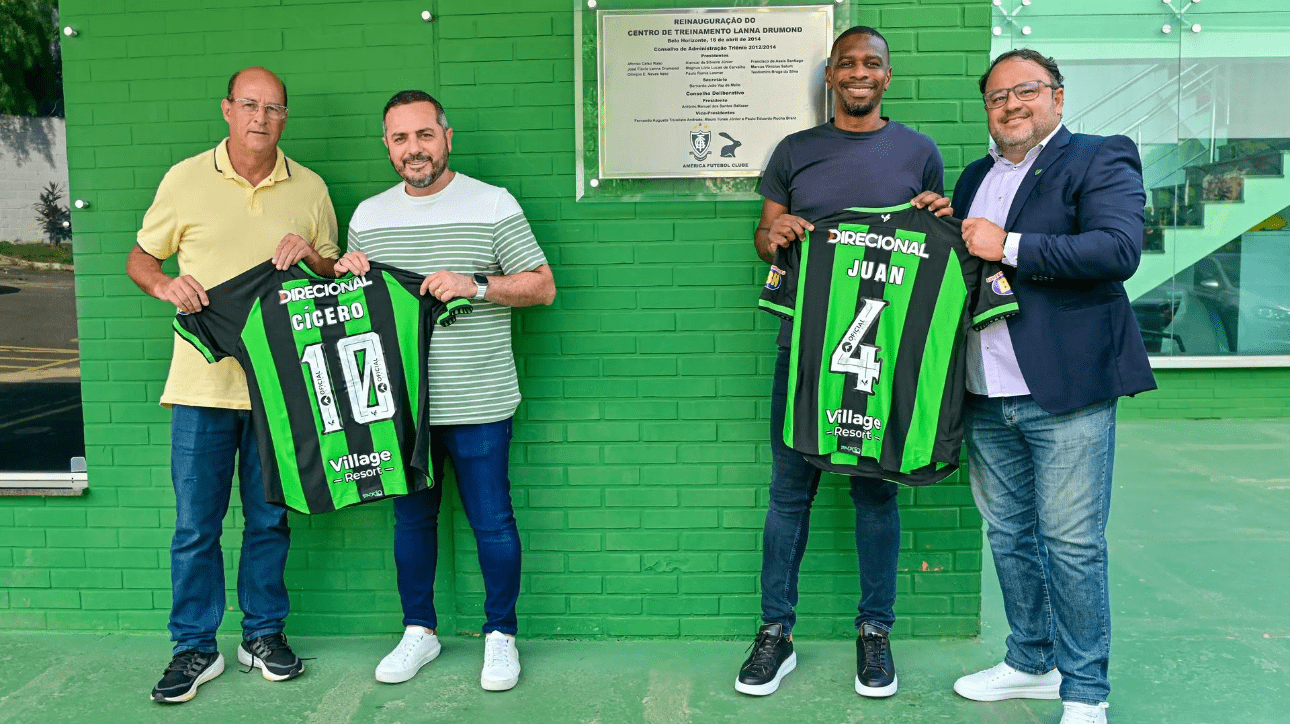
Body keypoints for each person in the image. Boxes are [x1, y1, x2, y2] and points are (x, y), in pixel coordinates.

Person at [916, 49, 1154, 724]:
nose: (1011, 106)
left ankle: (1084, 692)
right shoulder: (972, 178)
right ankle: (1030, 661)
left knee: (1073, 544)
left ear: (1056, 95)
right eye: (997, 97)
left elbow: (1117, 251)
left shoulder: (1099, 156)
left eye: (1025, 91)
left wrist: (1009, 244)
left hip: (1065, 390)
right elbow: (969, 258)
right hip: (986, 391)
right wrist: (943, 223)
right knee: (1010, 536)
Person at [737, 26, 945, 699]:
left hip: (880, 358)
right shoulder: (794, 152)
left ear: (888, 75)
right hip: (803, 353)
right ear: (831, 75)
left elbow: (935, 232)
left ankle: (875, 631)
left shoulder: (918, 151)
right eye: (848, 63)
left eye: (873, 63)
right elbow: (764, 241)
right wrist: (779, 234)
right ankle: (776, 632)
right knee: (788, 495)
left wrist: (936, 211)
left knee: (875, 490)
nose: (860, 72)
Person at [127, 66, 340, 703]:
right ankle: (194, 647)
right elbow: (142, 256)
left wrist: (308, 251)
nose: (261, 118)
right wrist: (163, 283)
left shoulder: (310, 187)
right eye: (249, 105)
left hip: (280, 387)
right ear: (227, 109)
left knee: (270, 519)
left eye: (274, 108)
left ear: (284, 118)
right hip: (201, 387)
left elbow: (331, 271)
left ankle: (262, 635)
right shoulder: (185, 179)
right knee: (197, 524)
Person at [334, 90, 555, 692]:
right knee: (411, 523)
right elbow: (358, 312)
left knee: (492, 522)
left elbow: (542, 287)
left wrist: (476, 285)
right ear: (387, 145)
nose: (414, 149)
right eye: (401, 138)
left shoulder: (492, 204)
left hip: (479, 400)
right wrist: (347, 275)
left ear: (446, 137)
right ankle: (419, 633)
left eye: (425, 135)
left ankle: (501, 637)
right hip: (401, 406)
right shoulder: (368, 216)